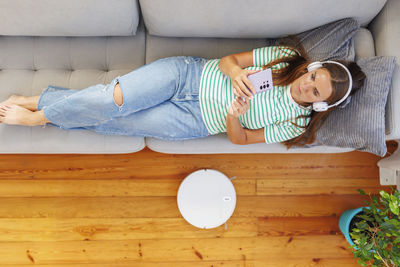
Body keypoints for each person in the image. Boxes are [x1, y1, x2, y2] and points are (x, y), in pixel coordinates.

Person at [0, 39, 366, 148]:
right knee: (109, 99)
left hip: (193, 120)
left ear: (321, 103)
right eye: (312, 76)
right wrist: (237, 72)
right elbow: (227, 60)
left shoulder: (297, 122)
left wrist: (233, 115)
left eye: (314, 91)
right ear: (314, 66)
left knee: (115, 121)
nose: (306, 84)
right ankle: (40, 116)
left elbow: (240, 140)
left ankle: (39, 104)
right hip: (186, 76)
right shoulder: (286, 59)